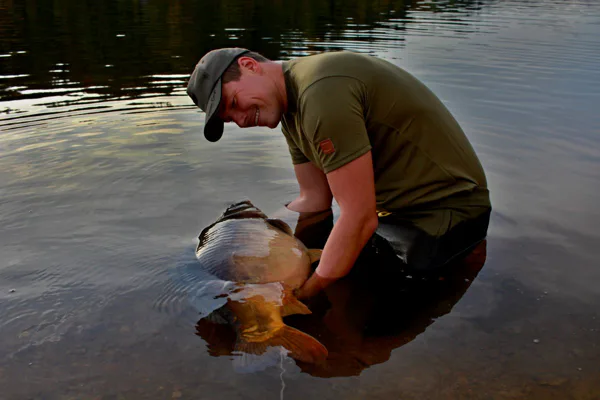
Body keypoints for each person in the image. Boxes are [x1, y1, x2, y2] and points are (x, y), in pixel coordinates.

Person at [186, 48, 491, 299]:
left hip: (447, 213)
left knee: (346, 311)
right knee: (324, 273)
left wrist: (305, 293)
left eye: (234, 103)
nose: (241, 121)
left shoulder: (320, 94)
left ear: (250, 66)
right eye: (230, 118)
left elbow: (359, 218)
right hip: (394, 214)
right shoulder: (290, 110)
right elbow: (314, 199)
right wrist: (258, 228)